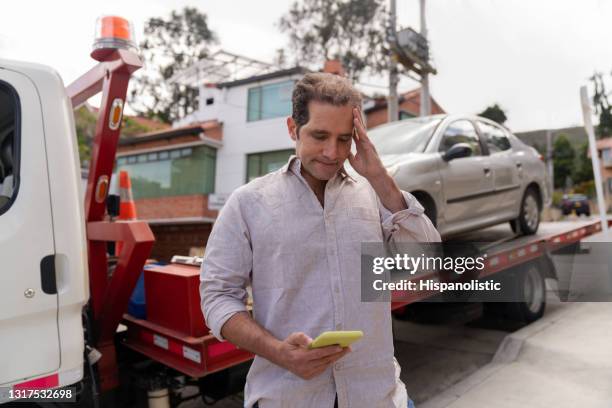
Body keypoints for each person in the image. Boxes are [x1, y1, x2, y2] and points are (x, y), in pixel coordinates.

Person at [200, 72, 441, 408]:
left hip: (378, 396)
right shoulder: (248, 203)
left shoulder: (374, 194)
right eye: (319, 136)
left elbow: (426, 258)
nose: (332, 151)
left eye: (344, 139)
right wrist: (279, 352)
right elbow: (218, 298)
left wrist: (378, 176)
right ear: (292, 128)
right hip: (289, 398)